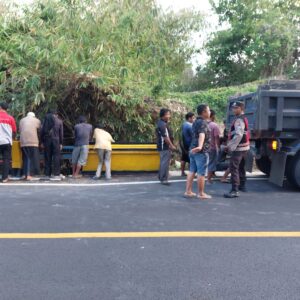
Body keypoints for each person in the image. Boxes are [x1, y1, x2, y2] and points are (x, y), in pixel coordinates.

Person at [185, 104, 211, 199]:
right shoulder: (203, 123)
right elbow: (202, 134)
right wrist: (200, 146)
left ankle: (188, 191)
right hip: (201, 151)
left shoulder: (195, 121)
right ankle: (201, 193)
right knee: (201, 172)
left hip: (192, 149)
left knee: (192, 170)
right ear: (204, 112)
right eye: (208, 110)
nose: (210, 112)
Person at [224, 101, 250, 198]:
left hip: (239, 149)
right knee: (241, 167)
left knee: (234, 168)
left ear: (240, 108)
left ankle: (235, 190)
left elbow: (238, 135)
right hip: (245, 147)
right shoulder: (244, 118)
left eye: (235, 108)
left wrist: (230, 146)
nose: (233, 110)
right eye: (233, 108)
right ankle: (242, 186)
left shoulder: (239, 120)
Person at [40, 108, 64, 181]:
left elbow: (42, 132)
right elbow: (61, 134)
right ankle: (56, 174)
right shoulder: (59, 121)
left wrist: (41, 142)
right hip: (56, 141)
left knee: (47, 157)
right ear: (56, 114)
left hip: (47, 141)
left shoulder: (45, 120)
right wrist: (61, 143)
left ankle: (47, 174)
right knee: (56, 157)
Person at [156, 108, 176, 185]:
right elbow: (165, 137)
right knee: (165, 162)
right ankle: (164, 179)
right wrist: (171, 145)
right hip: (164, 146)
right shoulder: (163, 125)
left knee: (163, 162)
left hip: (162, 146)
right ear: (163, 115)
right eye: (167, 114)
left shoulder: (160, 123)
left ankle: (161, 177)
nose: (169, 116)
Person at [19, 112, 41, 181]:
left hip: (23, 142)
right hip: (33, 142)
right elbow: (40, 130)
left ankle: (24, 174)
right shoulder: (37, 120)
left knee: (25, 158)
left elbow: (20, 130)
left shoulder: (22, 120)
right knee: (30, 158)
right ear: (33, 116)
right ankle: (28, 175)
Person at [0, 102, 17, 183]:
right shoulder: (10, 118)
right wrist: (12, 139)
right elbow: (14, 131)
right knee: (6, 160)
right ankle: (4, 178)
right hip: (7, 142)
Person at [207, 110, 220, 183]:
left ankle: (201, 178)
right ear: (213, 116)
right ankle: (208, 180)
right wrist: (218, 147)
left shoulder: (203, 124)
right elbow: (217, 137)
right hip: (212, 148)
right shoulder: (214, 125)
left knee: (205, 163)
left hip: (203, 148)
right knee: (211, 163)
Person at [180, 112, 195, 176]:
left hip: (183, 144)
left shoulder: (184, 124)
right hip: (189, 144)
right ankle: (191, 173)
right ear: (189, 118)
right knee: (190, 159)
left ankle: (182, 172)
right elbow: (193, 135)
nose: (194, 119)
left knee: (184, 158)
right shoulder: (189, 126)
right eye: (193, 118)